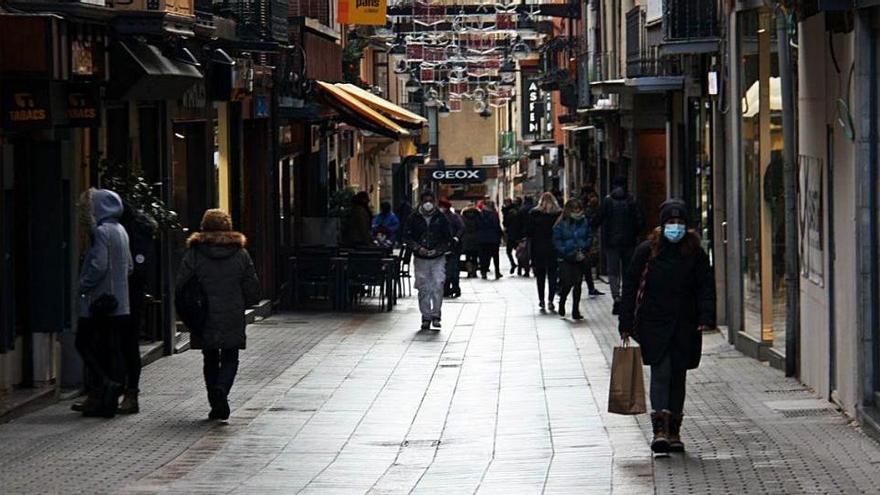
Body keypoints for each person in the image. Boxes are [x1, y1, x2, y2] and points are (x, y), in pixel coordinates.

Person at [618, 199, 715, 454]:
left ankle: (674, 430)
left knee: (678, 376)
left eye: (680, 222)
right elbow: (630, 286)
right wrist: (625, 321)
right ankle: (659, 430)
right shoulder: (647, 251)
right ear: (662, 225)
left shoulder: (695, 252)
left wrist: (706, 315)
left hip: (685, 324)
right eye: (671, 222)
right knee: (661, 373)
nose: (675, 227)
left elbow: (706, 285)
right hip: (655, 324)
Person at [176, 209, 261, 420]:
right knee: (231, 356)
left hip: (203, 315)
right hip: (232, 312)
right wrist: (248, 302)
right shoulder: (240, 254)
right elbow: (251, 284)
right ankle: (222, 389)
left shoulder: (194, 254)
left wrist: (186, 310)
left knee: (210, 357)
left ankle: (215, 403)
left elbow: (181, 285)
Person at [75, 188, 133, 418]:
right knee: (112, 348)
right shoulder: (121, 230)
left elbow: (98, 264)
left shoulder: (101, 232)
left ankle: (105, 384)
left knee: (85, 343)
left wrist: (83, 285)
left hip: (100, 302)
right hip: (120, 303)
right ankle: (109, 393)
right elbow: (129, 266)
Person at [116, 202, 158, 414]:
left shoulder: (126, 232)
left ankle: (125, 392)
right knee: (128, 344)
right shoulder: (137, 230)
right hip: (134, 295)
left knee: (125, 344)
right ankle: (127, 392)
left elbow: (135, 267)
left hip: (125, 295)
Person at [404, 191, 453, 329]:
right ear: (421, 201)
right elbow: (407, 237)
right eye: (426, 200)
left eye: (431, 200)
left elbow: (447, 238)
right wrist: (418, 248)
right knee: (423, 287)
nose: (428, 203)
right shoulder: (413, 218)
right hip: (421, 258)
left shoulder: (441, 217)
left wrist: (438, 250)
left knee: (438, 284)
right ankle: (426, 316)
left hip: (438, 257)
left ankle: (436, 314)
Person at [596, 176, 645, 314]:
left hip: (611, 243)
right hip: (629, 243)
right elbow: (640, 221)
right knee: (628, 271)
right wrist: (635, 233)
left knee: (613, 272)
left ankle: (616, 297)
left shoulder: (607, 201)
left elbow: (598, 219)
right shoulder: (631, 201)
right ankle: (627, 298)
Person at [552, 199, 592, 320]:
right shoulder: (561, 223)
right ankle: (562, 301)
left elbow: (589, 235)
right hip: (566, 257)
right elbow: (557, 240)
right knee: (567, 283)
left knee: (578, 283)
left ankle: (575, 309)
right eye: (574, 209)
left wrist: (584, 246)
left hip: (580, 256)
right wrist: (565, 250)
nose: (577, 212)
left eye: (579, 209)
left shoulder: (584, 221)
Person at [527, 192, 561, 312]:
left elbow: (529, 232)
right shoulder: (558, 215)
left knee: (540, 275)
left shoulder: (534, 214)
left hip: (537, 248)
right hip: (553, 248)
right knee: (552, 274)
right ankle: (551, 300)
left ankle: (541, 300)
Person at [440, 199, 465, 298]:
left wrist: (456, 238)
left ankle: (451, 289)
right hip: (451, 246)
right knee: (451, 269)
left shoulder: (451, 217)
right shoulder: (453, 217)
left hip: (452, 246)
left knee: (450, 269)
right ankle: (453, 288)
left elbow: (461, 228)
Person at [583, 190, 605, 297]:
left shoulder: (596, 209)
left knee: (586, 266)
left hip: (589, 240)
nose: (594, 199)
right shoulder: (587, 211)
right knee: (585, 266)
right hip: (587, 242)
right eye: (592, 196)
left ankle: (591, 287)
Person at [477, 200, 503, 280]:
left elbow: (477, 225)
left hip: (483, 239)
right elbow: (497, 226)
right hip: (493, 239)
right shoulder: (494, 215)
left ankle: (483, 272)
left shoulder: (480, 214)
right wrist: (500, 235)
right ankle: (497, 272)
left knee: (484, 256)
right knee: (495, 256)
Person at [460, 204, 482, 278]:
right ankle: (474, 272)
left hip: (466, 240)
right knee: (475, 257)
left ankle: (469, 271)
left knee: (468, 257)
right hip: (476, 239)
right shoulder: (478, 216)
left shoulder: (463, 217)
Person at [503, 197, 523, 274]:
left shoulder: (510, 211)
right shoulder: (519, 210)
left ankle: (513, 264)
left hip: (512, 234)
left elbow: (506, 223)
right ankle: (519, 268)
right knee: (519, 251)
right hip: (518, 234)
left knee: (509, 251)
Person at [516, 196, 535, 276]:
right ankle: (535, 269)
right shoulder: (535, 209)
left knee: (523, 252)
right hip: (534, 234)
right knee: (533, 252)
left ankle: (524, 269)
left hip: (523, 233)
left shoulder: (521, 210)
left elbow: (518, 223)